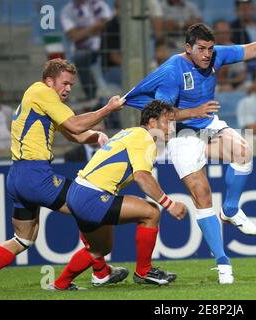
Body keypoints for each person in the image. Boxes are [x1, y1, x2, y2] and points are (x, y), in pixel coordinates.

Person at [124, 23, 256, 284]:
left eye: (210, 48)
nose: (207, 54)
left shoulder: (217, 55)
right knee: (203, 194)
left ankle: (230, 210)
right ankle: (222, 262)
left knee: (243, 151)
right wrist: (194, 111)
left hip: (207, 124)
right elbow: (159, 113)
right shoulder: (173, 71)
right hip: (180, 134)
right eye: (201, 49)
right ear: (188, 48)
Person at [0, 58, 125, 291]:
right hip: (36, 175)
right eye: (64, 83)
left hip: (17, 176)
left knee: (23, 238)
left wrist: (96, 136)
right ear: (49, 81)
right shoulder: (42, 92)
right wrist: (108, 109)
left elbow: (73, 134)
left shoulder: (40, 100)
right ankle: (97, 273)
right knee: (86, 206)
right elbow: (75, 125)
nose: (68, 89)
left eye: (71, 85)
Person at [52, 100, 187, 290]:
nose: (171, 128)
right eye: (167, 122)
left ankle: (60, 284)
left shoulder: (130, 132)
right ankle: (144, 271)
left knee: (99, 249)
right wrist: (170, 204)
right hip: (92, 195)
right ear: (151, 122)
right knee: (152, 212)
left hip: (77, 191)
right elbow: (142, 177)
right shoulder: (145, 138)